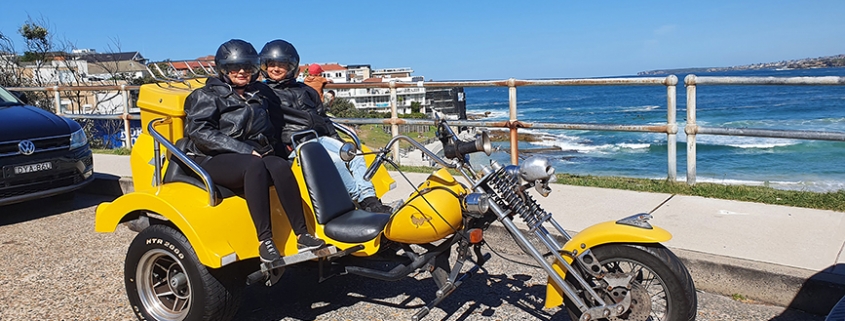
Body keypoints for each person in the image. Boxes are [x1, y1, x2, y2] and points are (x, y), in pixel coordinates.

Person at [182, 39, 325, 263]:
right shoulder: (206, 96)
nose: (241, 72)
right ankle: (265, 240)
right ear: (223, 69)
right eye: (234, 68)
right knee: (254, 165)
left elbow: (278, 117)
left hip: (251, 154)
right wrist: (243, 149)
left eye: (247, 67)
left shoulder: (257, 93)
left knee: (279, 165)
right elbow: (200, 132)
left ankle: (302, 234)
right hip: (212, 157)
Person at [258, 39, 392, 213]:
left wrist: (337, 140)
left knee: (354, 154)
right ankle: (355, 199)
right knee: (335, 161)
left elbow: (323, 118)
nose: (276, 69)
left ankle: (369, 199)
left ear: (291, 66)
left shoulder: (306, 90)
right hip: (297, 144)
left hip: (319, 138)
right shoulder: (264, 93)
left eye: (281, 64)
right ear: (264, 66)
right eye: (271, 64)